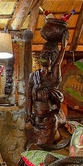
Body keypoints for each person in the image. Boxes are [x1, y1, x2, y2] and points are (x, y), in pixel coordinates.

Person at [25, 17, 69, 148]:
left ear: (54, 57)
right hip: (35, 120)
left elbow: (58, 63)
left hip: (49, 119)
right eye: (43, 54)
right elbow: (28, 97)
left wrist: (63, 48)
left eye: (49, 55)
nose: (44, 56)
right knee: (30, 147)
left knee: (44, 148)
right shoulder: (33, 76)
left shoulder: (53, 76)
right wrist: (28, 114)